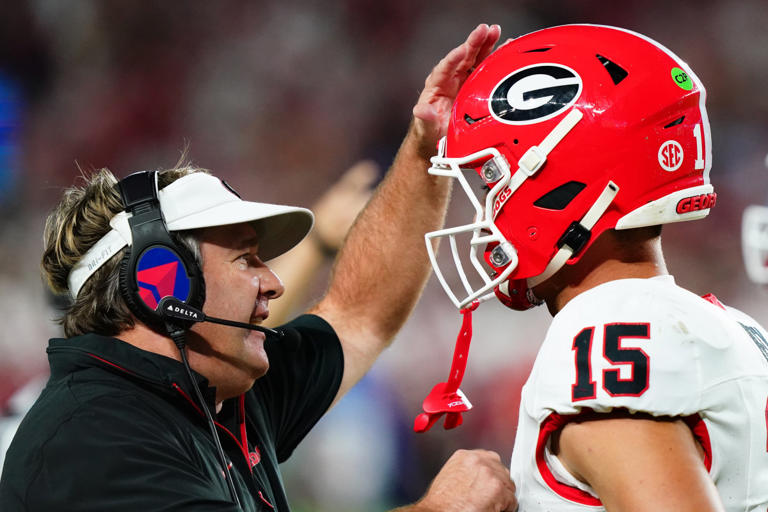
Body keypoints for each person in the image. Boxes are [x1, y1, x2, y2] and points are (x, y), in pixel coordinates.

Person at [0, 24, 518, 512]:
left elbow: (361, 314)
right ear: (161, 283)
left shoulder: (214, 391)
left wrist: (428, 142)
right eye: (246, 259)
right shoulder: (92, 439)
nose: (273, 282)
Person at [415, 24, 768, 510]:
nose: (483, 215)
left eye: (488, 185)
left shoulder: (605, 339)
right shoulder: (730, 324)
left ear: (556, 183)